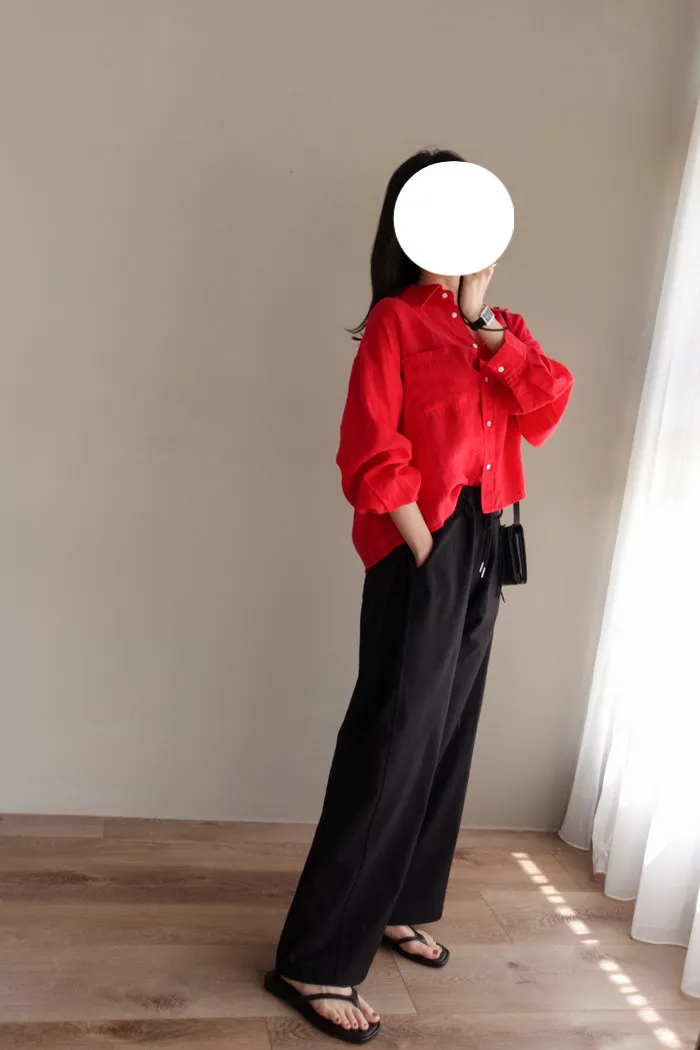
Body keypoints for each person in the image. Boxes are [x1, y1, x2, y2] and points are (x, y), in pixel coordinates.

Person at [264, 148, 574, 1043]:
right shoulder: (395, 324)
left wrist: (483, 325)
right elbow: (369, 449)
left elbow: (545, 409)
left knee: (446, 734)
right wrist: (427, 546)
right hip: (424, 544)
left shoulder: (501, 329)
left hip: (489, 541)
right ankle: (315, 957)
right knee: (391, 743)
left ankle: (398, 903)